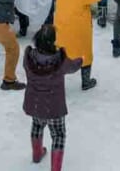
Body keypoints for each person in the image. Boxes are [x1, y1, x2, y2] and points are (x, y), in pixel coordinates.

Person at [23, 25, 82, 171]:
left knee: (37, 126)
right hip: (54, 107)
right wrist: (81, 60)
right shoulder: (59, 60)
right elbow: (72, 67)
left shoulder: (29, 57)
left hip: (35, 103)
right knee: (58, 135)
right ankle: (55, 168)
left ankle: (37, 154)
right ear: (53, 41)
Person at [54, 0, 113, 91]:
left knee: (62, 52)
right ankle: (86, 82)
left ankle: (57, 81)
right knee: (84, 54)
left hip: (62, 25)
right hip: (79, 28)